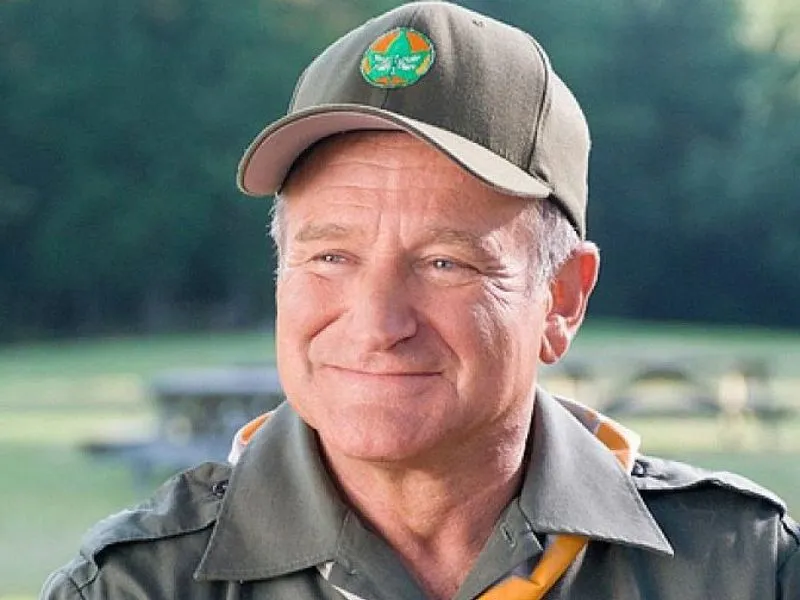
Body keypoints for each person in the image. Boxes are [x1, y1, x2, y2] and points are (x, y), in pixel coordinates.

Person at [42, 2, 799, 599]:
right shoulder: (135, 586)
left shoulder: (743, 569)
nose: (377, 324)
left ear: (562, 299)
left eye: (445, 263)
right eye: (330, 256)